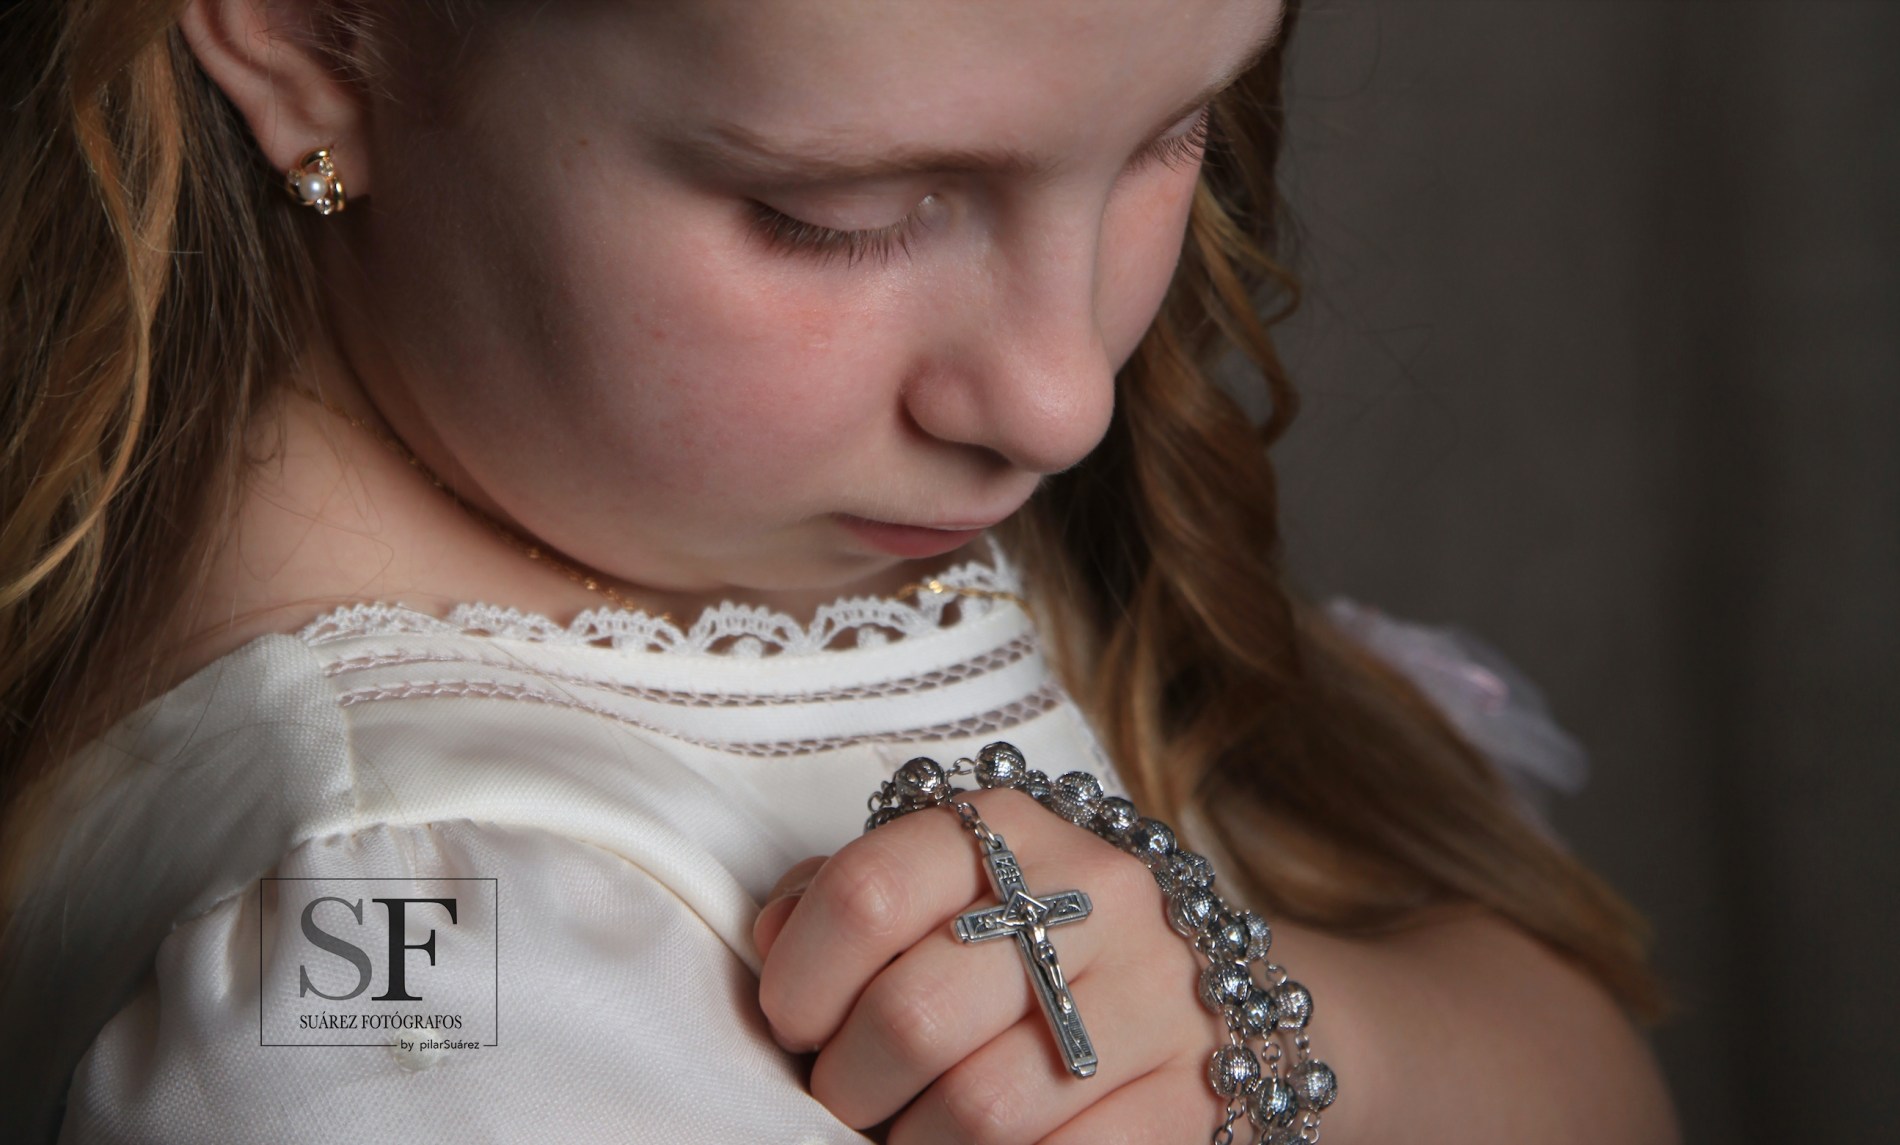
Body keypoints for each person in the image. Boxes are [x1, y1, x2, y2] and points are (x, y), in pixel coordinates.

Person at [0, 0, 1682, 1141]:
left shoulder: (761, 522)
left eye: (1171, 135)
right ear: (313, 35)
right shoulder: (405, 996)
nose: (1063, 398)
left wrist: (1272, 1026)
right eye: (843, 213)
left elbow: (1600, 1079)